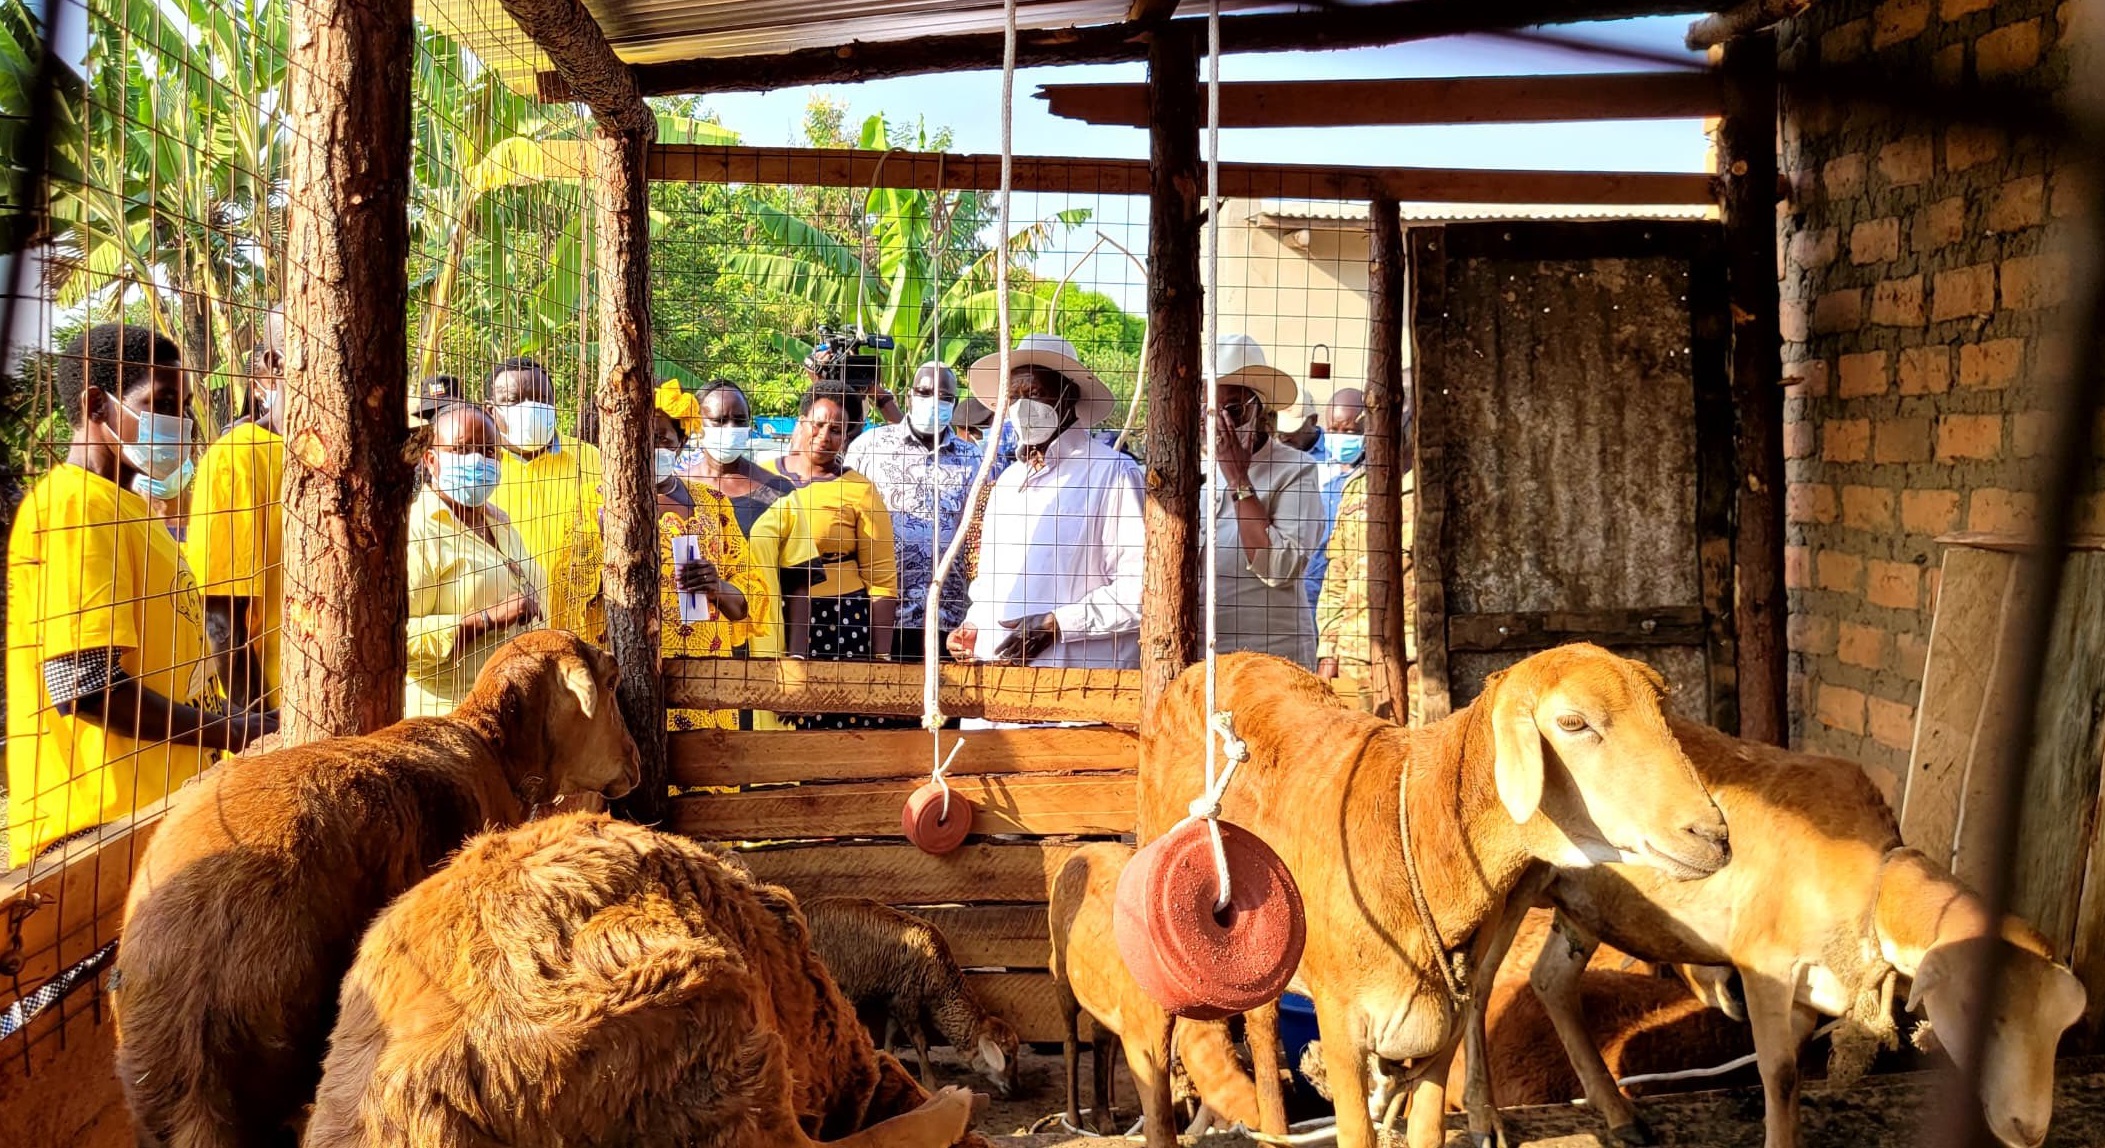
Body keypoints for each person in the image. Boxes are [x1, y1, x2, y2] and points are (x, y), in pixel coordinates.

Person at [7, 324, 272, 869]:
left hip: (162, 816)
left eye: (186, 406)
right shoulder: (74, 506)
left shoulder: (134, 513)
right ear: (96, 405)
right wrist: (237, 728)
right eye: (163, 402)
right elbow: (84, 685)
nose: (183, 423)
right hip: (95, 829)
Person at [948, 334, 1143, 671]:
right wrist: (974, 625)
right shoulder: (1008, 481)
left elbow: (1140, 588)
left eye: (1035, 393)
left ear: (1069, 396)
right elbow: (991, 582)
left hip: (1078, 688)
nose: (1023, 406)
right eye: (1015, 396)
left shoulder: (1112, 474)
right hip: (997, 681)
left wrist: (1058, 624)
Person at [747, 382, 899, 730]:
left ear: (847, 437)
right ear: (801, 423)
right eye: (817, 424)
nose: (824, 436)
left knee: (831, 727)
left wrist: (879, 659)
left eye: (836, 430)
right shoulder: (760, 476)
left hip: (838, 622)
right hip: (763, 614)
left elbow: (881, 577)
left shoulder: (860, 490)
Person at [405, 404, 546, 717]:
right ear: (431, 459)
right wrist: (487, 619)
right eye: (461, 449)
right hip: (450, 720)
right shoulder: (418, 529)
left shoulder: (499, 522)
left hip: (512, 715)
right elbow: (397, 640)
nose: (477, 460)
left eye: (488, 451)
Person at [840, 362, 984, 661]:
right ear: (909, 397)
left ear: (954, 404)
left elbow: (981, 532)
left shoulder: (974, 457)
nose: (934, 401)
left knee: (944, 705)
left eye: (945, 396)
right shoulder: (869, 447)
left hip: (950, 620)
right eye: (925, 392)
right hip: (881, 616)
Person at [1204, 335, 1326, 667]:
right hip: (1204, 656)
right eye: (1208, 410)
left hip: (1271, 658)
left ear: (1258, 409)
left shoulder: (1296, 470)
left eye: (1232, 409)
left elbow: (1279, 567)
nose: (1220, 423)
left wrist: (1239, 480)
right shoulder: (1192, 472)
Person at [185, 308, 285, 712]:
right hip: (280, 712)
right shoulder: (237, 459)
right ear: (274, 364)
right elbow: (220, 621)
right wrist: (260, 728)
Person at [646, 404, 768, 731]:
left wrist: (717, 587)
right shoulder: (600, 503)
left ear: (681, 443)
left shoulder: (713, 502)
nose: (652, 448)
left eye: (662, 439)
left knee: (708, 766)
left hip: (707, 673)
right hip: (639, 673)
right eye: (640, 437)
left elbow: (748, 589)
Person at [485, 356, 601, 639]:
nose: (530, 408)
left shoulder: (590, 459)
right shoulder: (483, 467)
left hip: (583, 633)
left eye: (541, 399)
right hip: (508, 635)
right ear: (491, 410)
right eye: (514, 400)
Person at [1317, 418, 1417, 719]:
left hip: (1413, 657)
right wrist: (1328, 651)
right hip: (1353, 655)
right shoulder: (1356, 488)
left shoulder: (1428, 493)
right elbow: (1337, 574)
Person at [678, 380, 793, 535]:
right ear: (697, 424)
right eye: (719, 421)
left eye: (739, 421)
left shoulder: (780, 490)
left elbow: (799, 558)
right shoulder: (677, 488)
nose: (731, 429)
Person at [1303, 385, 1368, 608]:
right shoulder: (1327, 487)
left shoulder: (1372, 487)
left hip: (1351, 600)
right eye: (1333, 429)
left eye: (1349, 431)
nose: (1339, 437)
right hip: (1315, 598)